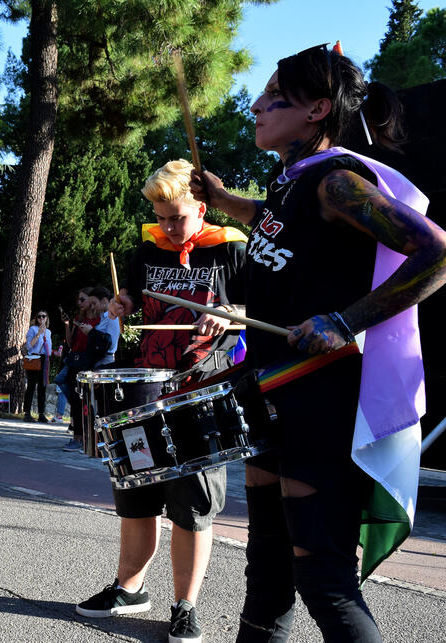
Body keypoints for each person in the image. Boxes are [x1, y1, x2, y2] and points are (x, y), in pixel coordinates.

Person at [190, 44, 446, 642]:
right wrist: (229, 204)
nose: (255, 106)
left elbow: (436, 253)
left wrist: (346, 320)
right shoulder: (291, 184)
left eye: (274, 96)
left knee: (326, 582)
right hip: (272, 394)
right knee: (267, 572)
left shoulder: (336, 183)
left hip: (322, 404)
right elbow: (288, 229)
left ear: (317, 110)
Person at [75, 159, 246, 643]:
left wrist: (231, 313)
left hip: (202, 392)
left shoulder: (231, 250)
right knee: (135, 494)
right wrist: (121, 304)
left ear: (202, 205)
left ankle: (185, 605)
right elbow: (130, 298)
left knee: (192, 506)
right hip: (144, 388)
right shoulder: (147, 250)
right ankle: (129, 589)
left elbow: (262, 309)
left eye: (178, 217)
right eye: (161, 216)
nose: (169, 227)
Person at [56, 287, 99, 451]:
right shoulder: (78, 318)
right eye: (78, 300)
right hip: (75, 362)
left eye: (83, 299)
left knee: (85, 402)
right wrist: (68, 325)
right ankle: (77, 437)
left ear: (91, 300)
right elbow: (71, 343)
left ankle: (85, 438)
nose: (79, 303)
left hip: (89, 363)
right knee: (75, 400)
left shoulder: (99, 320)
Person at [22, 309, 60, 422]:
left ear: (47, 318)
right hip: (34, 358)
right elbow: (29, 346)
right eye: (39, 316)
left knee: (43, 387)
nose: (42, 319)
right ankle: (27, 413)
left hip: (45, 359)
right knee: (31, 386)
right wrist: (38, 333)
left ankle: (41, 414)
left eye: (44, 316)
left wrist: (54, 352)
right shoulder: (32, 329)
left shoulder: (48, 332)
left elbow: (46, 348)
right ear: (36, 318)